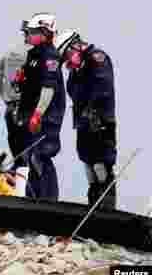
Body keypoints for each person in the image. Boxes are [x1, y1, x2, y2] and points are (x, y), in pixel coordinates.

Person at [55, 29, 117, 210]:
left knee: (101, 164)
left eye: (66, 55)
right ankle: (93, 206)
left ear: (75, 45)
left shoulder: (97, 58)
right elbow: (72, 91)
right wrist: (75, 68)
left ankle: (107, 208)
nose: (66, 61)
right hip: (83, 122)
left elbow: (102, 88)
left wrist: (90, 110)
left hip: (100, 120)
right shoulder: (78, 67)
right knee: (87, 163)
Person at [15, 13, 66, 201]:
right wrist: (19, 82)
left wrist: (37, 114)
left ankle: (49, 200)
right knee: (30, 157)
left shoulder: (50, 56)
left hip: (46, 115)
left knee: (42, 155)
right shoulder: (33, 54)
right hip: (31, 113)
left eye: (31, 32)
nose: (27, 35)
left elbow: (48, 89)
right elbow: (29, 85)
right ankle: (34, 197)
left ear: (44, 32)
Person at [0, 41, 32, 172]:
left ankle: (18, 168)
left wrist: (4, 95)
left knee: (14, 139)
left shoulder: (10, 52)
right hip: (28, 108)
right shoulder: (37, 54)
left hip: (11, 106)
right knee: (30, 146)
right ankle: (26, 175)